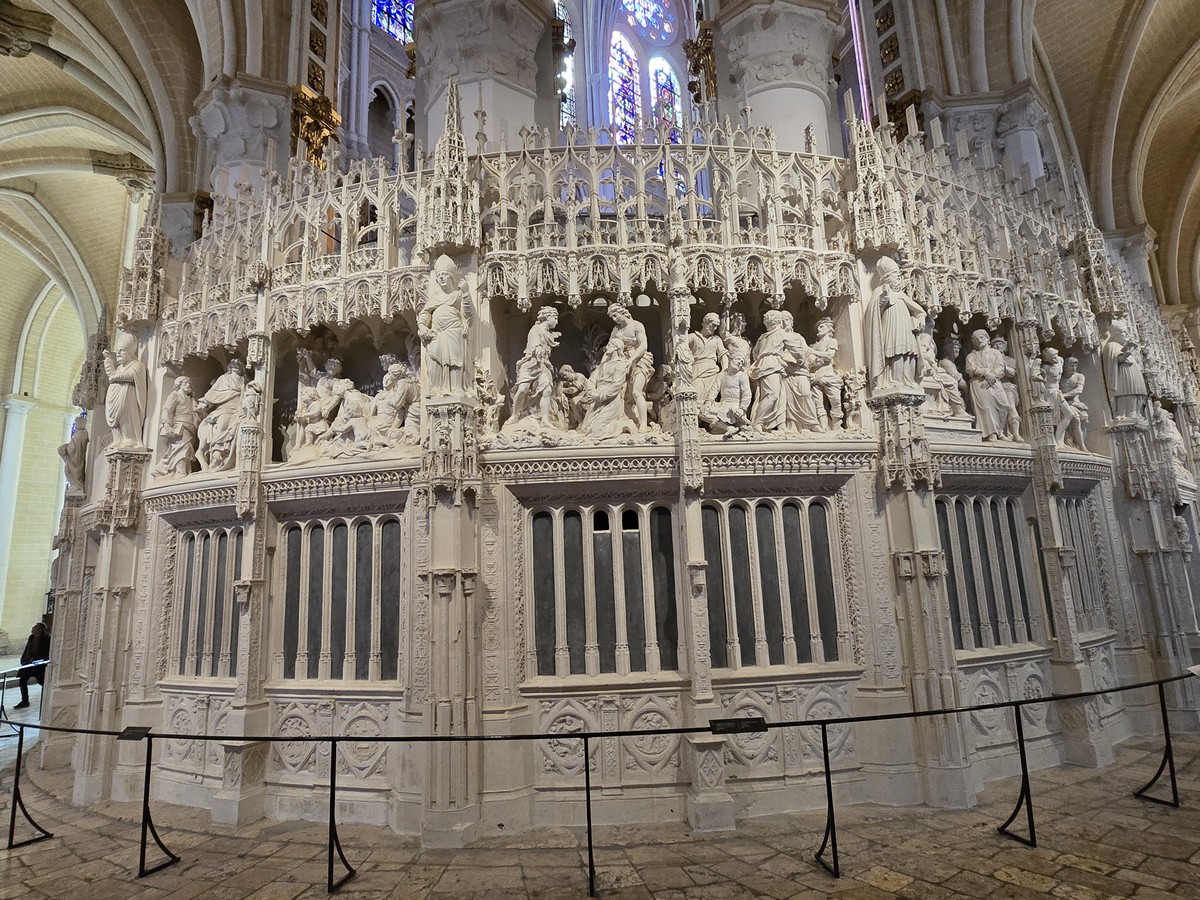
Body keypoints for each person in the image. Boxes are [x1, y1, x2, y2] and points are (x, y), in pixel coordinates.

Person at [15, 623, 50, 709]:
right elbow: (27, 649)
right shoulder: (31, 638)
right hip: (28, 663)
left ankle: (48, 697)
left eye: (35, 627)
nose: (33, 628)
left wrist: (41, 661)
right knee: (23, 681)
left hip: (38, 665)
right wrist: (23, 659)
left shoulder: (46, 639)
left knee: (41, 681)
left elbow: (47, 652)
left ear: (40, 630)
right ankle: (25, 700)